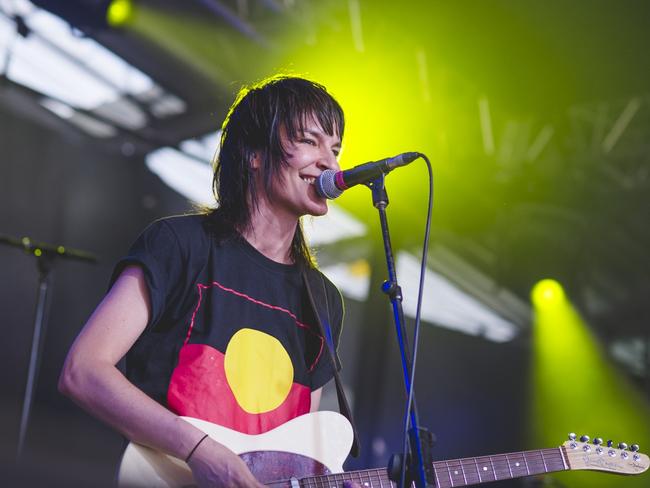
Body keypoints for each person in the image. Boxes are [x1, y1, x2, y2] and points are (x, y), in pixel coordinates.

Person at [59, 76, 349, 487]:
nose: (330, 163)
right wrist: (202, 451)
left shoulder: (322, 300)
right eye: (310, 141)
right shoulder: (179, 245)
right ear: (254, 154)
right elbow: (83, 371)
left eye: (335, 149)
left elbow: (299, 455)